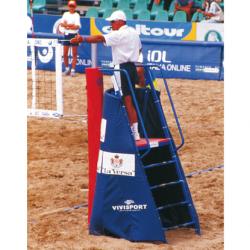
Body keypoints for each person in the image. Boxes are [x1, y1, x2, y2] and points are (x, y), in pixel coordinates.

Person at [71, 10, 142, 140]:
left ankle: (132, 132)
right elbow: (140, 49)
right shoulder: (133, 33)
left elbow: (99, 38)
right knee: (130, 100)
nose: (111, 24)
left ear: (121, 21)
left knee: (126, 101)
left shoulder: (119, 34)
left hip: (122, 68)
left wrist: (83, 39)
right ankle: (135, 132)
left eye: (113, 22)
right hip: (132, 67)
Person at [60, 0, 81, 77]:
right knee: (65, 54)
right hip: (67, 35)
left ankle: (73, 70)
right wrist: (70, 25)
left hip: (74, 35)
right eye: (70, 6)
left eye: (73, 6)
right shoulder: (65, 14)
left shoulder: (77, 15)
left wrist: (67, 25)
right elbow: (62, 24)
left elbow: (77, 26)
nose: (71, 7)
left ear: (75, 7)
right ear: (68, 6)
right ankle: (67, 69)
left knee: (74, 54)